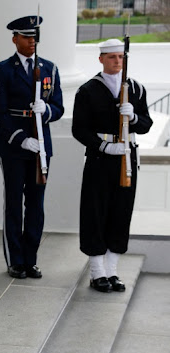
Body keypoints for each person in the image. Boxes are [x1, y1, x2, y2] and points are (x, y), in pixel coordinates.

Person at [72, 38, 153, 293]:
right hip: (100, 158)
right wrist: (104, 146)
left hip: (127, 156)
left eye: (121, 57)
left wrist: (134, 116)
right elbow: (79, 129)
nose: (117, 61)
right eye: (111, 57)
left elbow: (146, 125)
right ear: (101, 59)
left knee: (121, 211)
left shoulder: (136, 89)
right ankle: (97, 271)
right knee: (95, 211)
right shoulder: (88, 90)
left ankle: (112, 270)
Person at [0, 15, 63, 279]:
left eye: (34, 37)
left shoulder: (49, 69)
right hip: (14, 144)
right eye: (26, 37)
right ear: (15, 39)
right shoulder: (4, 69)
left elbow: (59, 106)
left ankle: (30, 259)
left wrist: (48, 111)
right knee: (14, 203)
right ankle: (15, 259)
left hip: (41, 143)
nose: (32, 41)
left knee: (36, 203)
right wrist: (21, 138)